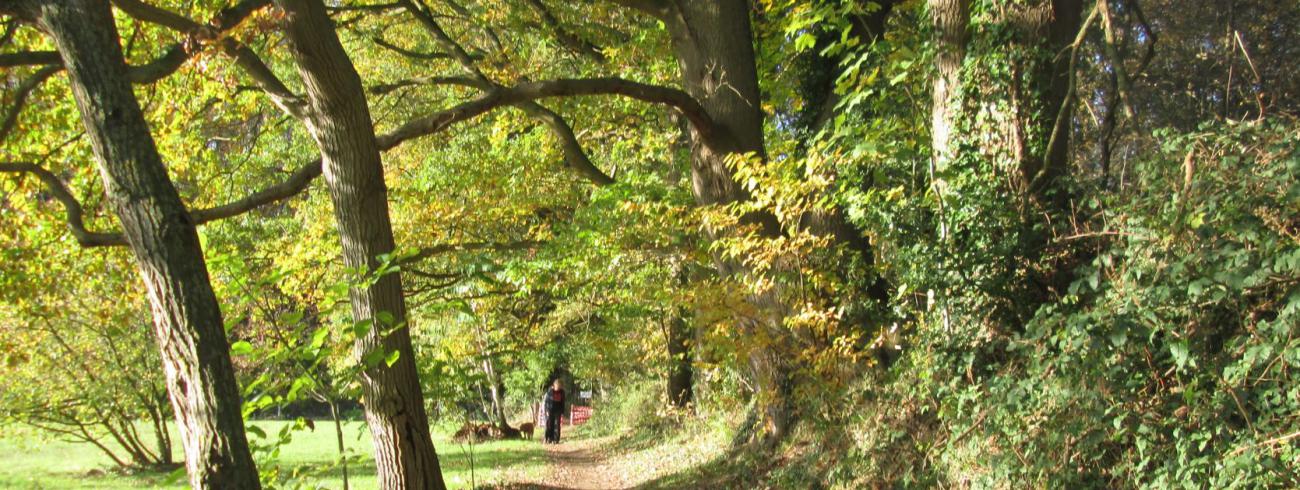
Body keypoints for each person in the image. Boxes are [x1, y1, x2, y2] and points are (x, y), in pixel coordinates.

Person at [542, 379, 566, 443]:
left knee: (557, 425)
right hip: (550, 410)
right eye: (557, 385)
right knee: (549, 424)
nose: (558, 387)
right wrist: (546, 410)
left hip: (558, 411)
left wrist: (562, 412)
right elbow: (546, 402)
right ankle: (548, 438)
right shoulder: (550, 392)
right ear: (554, 385)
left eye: (559, 386)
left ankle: (556, 439)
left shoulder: (562, 392)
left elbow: (563, 403)